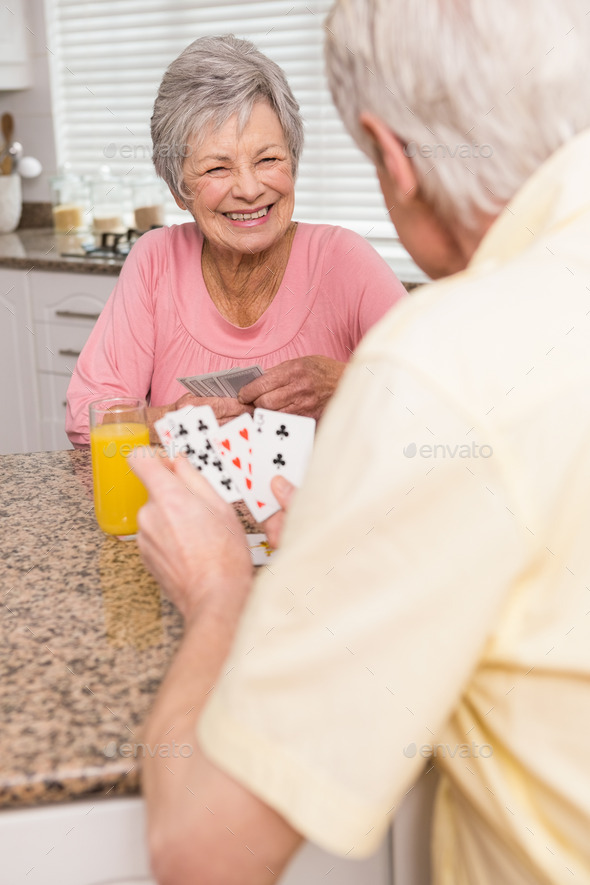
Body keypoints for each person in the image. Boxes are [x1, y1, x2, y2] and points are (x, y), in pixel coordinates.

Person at [129, 1, 590, 883]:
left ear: (392, 156)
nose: (250, 184)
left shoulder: (438, 361)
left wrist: (221, 585)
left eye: (269, 158)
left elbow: (200, 849)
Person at [65, 34, 405, 446]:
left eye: (268, 160)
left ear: (293, 164)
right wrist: (170, 420)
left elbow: (452, 393)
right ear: (178, 190)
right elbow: (88, 419)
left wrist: (348, 384)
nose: (248, 189)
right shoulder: (156, 260)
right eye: (217, 168)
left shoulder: (343, 258)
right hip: (183, 509)